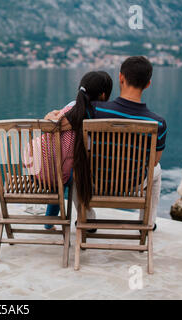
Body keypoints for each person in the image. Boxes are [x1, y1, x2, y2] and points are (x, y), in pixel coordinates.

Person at [45, 56, 167, 231]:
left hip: (96, 182)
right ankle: (147, 222)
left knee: (78, 167)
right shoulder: (159, 123)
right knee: (157, 169)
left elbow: (59, 125)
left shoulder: (94, 109)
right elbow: (153, 162)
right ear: (148, 84)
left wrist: (52, 115)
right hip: (133, 185)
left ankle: (87, 220)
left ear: (121, 78)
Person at [40, 71, 113, 231]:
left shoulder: (72, 106)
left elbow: (50, 122)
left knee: (64, 173)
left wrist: (50, 115)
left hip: (49, 166)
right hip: (83, 171)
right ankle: (87, 218)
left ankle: (50, 221)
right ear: (103, 94)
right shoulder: (101, 112)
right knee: (75, 172)